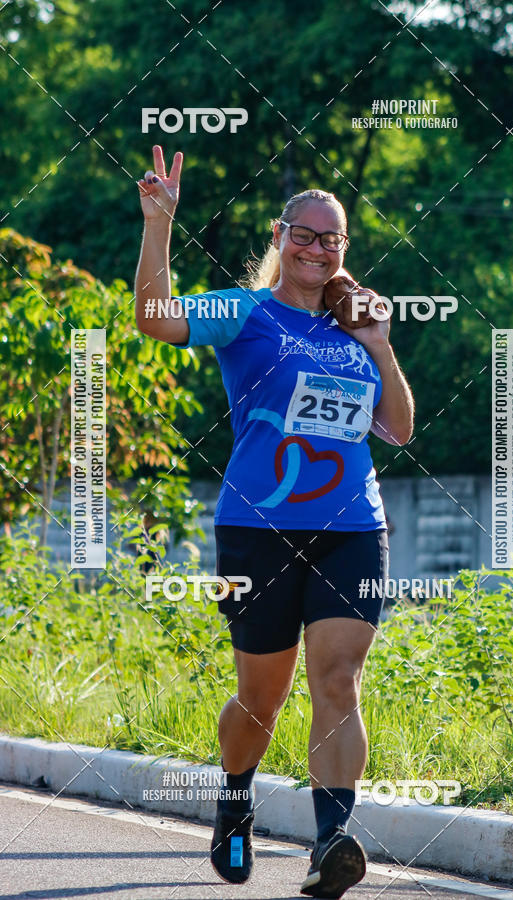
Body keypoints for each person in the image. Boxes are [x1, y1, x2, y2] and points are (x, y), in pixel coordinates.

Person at [134, 145, 414, 898]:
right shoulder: (246, 312)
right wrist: (159, 224)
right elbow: (155, 318)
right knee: (263, 697)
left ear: (344, 251)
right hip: (256, 530)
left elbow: (399, 428)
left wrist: (381, 346)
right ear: (281, 237)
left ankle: (331, 844)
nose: (319, 248)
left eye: (334, 238)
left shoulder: (358, 331)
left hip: (354, 526)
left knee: (339, 679)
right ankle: (234, 798)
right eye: (306, 233)